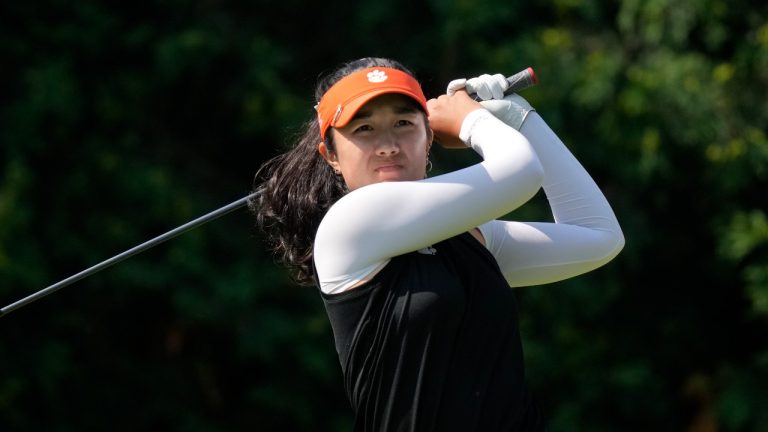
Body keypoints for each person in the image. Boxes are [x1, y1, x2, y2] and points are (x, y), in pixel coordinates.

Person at [250, 57, 624, 431]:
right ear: (331, 155)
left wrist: (517, 117)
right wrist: (472, 121)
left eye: (403, 124)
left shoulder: (469, 237)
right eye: (364, 129)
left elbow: (598, 237)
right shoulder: (348, 224)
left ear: (429, 137)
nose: (388, 146)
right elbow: (522, 172)